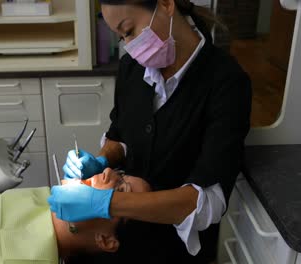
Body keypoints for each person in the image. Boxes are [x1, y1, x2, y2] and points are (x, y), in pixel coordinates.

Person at [47, 0, 252, 263]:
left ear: (166, 4)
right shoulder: (132, 68)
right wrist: (100, 162)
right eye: (121, 37)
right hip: (124, 236)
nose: (128, 45)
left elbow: (203, 202)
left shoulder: (227, 83)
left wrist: (105, 202)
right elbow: (120, 135)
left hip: (174, 249)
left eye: (130, 30)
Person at [0, 170, 151, 264]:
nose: (107, 172)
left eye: (121, 190)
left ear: (106, 240)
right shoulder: (34, 203)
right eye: (120, 173)